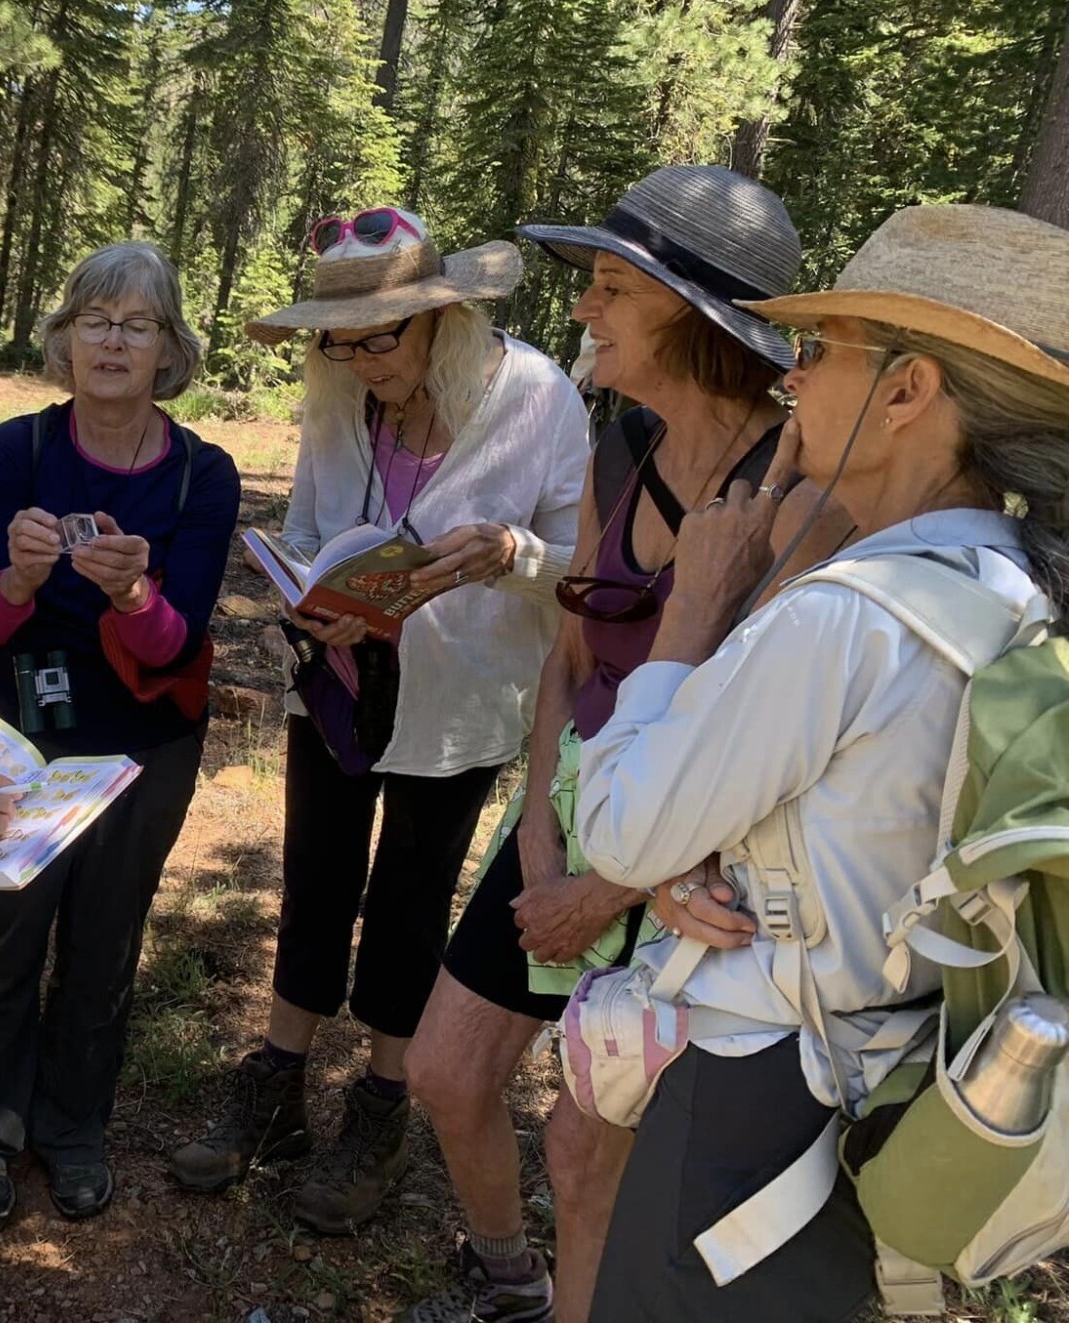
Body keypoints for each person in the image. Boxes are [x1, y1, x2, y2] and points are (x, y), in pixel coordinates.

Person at [573, 204, 1069, 1321]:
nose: (791, 379)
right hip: (896, 1090)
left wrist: (690, 613)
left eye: (820, 349)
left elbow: (617, 829)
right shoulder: (1020, 591)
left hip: (749, 1103)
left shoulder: (849, 616)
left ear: (907, 392)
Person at [401, 165, 846, 1323]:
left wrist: (606, 889)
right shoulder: (622, 448)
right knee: (444, 1073)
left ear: (693, 319)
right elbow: (569, 656)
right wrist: (538, 837)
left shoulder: (797, 501)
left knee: (584, 1152)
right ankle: (510, 1278)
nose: (582, 308)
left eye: (610, 286)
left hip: (688, 865)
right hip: (569, 812)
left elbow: (768, 745)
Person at [167, 208, 588, 1235]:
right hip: (336, 682)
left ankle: (380, 1108)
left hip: (462, 702)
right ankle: (277, 1085)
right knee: (315, 881)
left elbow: (586, 574)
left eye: (378, 338)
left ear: (442, 318)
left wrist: (515, 556)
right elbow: (308, 528)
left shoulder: (536, 397)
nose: (358, 360)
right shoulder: (339, 398)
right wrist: (308, 598)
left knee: (408, 899)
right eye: (337, 341)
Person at [0, 242, 240, 1227]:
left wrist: (132, 590)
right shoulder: (17, 450)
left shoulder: (202, 474)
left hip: (141, 745)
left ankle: (72, 1130)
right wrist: (21, 578)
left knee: (105, 943)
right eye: (94, 321)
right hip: (19, 739)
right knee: (5, 936)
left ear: (169, 349)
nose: (112, 342)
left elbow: (174, 643)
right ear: (64, 338)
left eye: (136, 324)